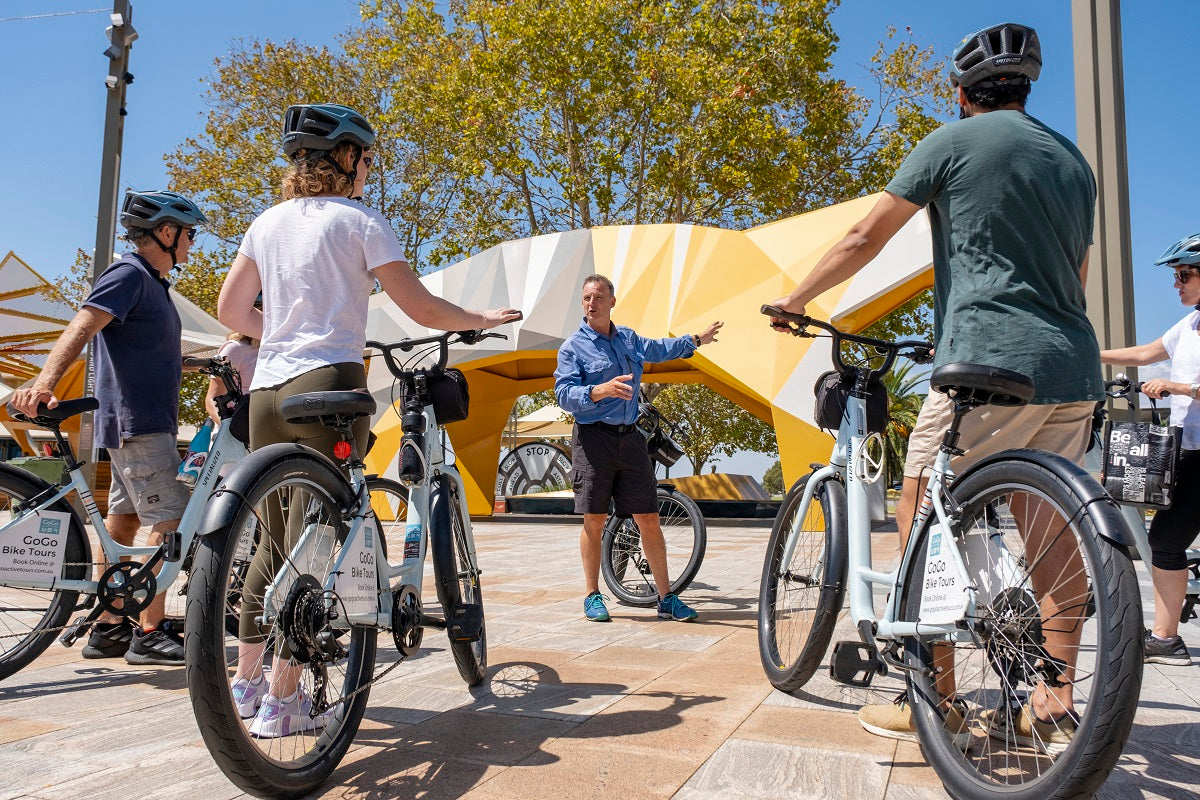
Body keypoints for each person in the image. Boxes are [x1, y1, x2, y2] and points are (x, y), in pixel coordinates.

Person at [768, 22, 1102, 751]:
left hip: (987, 364)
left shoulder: (950, 144)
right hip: (1072, 369)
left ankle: (937, 702)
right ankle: (1052, 703)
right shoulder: (1072, 160)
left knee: (921, 511)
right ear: (1027, 88)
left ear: (960, 94)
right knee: (1051, 533)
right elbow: (1076, 276)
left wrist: (796, 299)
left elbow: (865, 238)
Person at [218, 102, 521, 738]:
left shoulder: (265, 223)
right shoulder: (359, 220)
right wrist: (477, 320)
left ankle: (246, 683)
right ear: (347, 158)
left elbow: (229, 309)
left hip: (268, 391)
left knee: (271, 539)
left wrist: (283, 335)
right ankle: (284, 699)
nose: (370, 170)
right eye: (367, 158)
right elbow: (416, 305)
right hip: (328, 384)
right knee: (319, 538)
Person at [12, 189, 207, 667]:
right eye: (189, 234)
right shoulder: (129, 273)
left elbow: (143, 349)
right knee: (172, 525)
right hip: (139, 424)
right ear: (166, 232)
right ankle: (151, 631)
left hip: (133, 421)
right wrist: (44, 382)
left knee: (122, 522)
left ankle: (108, 626)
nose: (192, 244)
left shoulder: (152, 284)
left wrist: (199, 364)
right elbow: (83, 324)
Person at [554, 274, 722, 623]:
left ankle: (666, 598)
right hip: (593, 439)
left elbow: (661, 348)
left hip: (630, 438)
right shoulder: (572, 347)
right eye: (587, 297)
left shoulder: (628, 338)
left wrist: (695, 340)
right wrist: (600, 390)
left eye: (599, 297)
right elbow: (563, 395)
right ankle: (592, 595)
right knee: (594, 520)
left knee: (648, 516)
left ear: (612, 302)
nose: (592, 303)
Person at [1100, 233, 1200, 666]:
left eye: (1184, 274)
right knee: (1166, 539)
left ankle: (1165, 636)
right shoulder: (1190, 325)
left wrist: (1178, 386)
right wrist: (1086, 352)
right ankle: (1165, 636)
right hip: (1189, 449)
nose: (1176, 284)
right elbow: (1144, 353)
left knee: (1167, 539)